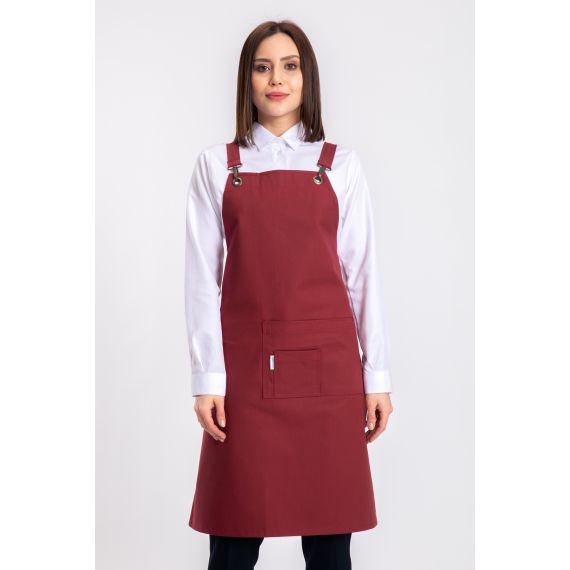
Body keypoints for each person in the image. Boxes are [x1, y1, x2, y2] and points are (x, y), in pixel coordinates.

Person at [184, 19, 394, 570]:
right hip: (245, 376)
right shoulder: (216, 165)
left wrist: (376, 376)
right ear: (247, 80)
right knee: (232, 542)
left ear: (307, 78)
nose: (276, 79)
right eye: (262, 67)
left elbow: (362, 274)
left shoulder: (340, 165)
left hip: (329, 378)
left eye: (289, 66)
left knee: (330, 548)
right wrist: (207, 379)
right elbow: (201, 279)